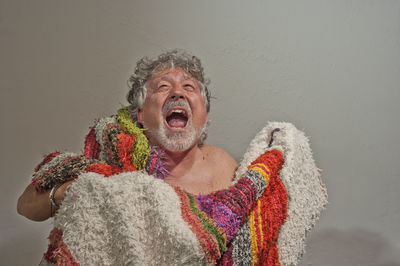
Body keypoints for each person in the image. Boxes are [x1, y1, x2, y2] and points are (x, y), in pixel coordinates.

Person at [17, 49, 238, 221]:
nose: (177, 92)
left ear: (204, 116)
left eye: (189, 87)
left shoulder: (222, 164)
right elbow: (25, 205)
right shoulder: (117, 162)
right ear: (140, 115)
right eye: (163, 87)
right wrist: (73, 191)